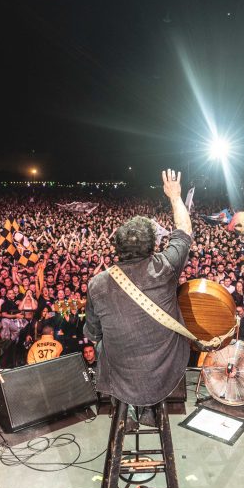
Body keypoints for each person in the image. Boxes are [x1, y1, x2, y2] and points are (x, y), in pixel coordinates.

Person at [84, 169, 193, 408]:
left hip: (121, 376)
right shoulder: (165, 266)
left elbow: (93, 333)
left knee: (100, 345)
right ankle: (146, 406)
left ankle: (127, 407)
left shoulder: (97, 283)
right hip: (167, 370)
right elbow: (184, 231)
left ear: (117, 248)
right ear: (153, 246)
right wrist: (175, 196)